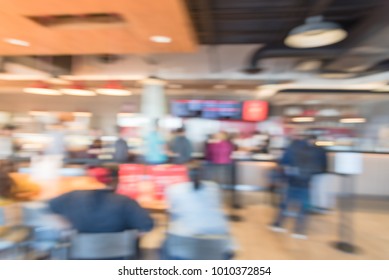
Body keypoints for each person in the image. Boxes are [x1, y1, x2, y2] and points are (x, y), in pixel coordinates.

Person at [162, 163, 235, 259]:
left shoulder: (174, 189)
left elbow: (171, 213)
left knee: (165, 249)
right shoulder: (214, 187)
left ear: (186, 175)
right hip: (219, 242)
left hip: (185, 240)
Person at [48, 168, 154, 234]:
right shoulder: (126, 202)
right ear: (115, 182)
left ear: (88, 179)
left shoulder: (70, 197)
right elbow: (146, 226)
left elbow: (43, 208)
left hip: (78, 258)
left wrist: (64, 226)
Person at [270, 133, 325, 239]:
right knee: (303, 206)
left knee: (286, 202)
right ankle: (299, 231)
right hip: (306, 181)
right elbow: (320, 168)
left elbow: (283, 162)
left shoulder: (293, 147)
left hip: (292, 180)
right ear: (313, 140)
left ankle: (278, 224)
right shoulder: (318, 151)